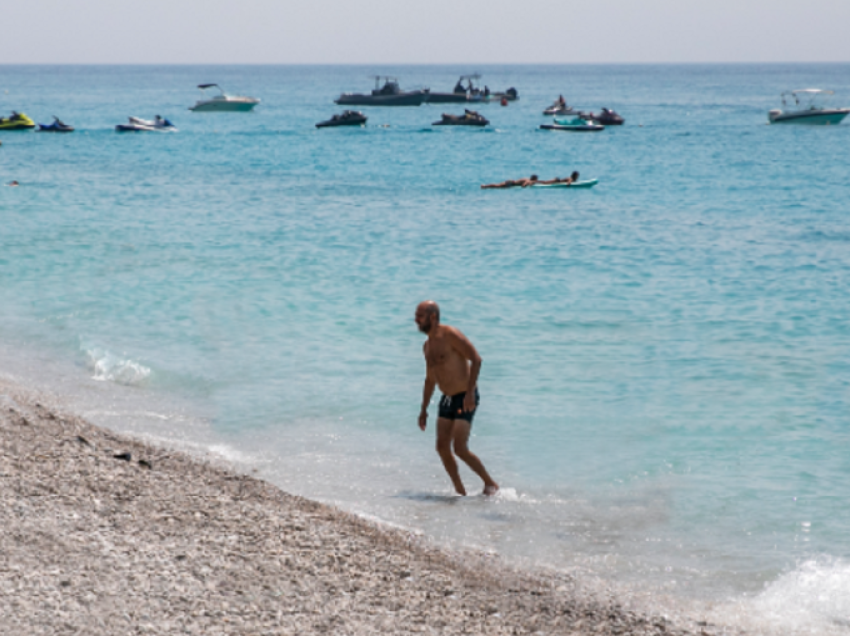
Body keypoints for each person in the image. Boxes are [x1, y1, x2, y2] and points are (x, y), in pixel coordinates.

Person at [415, 301, 499, 496]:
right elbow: (430, 380)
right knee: (442, 447)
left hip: (464, 396)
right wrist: (423, 409)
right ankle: (460, 492)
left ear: (433, 317)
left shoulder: (450, 335)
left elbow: (476, 359)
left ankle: (490, 483)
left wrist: (470, 393)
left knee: (459, 448)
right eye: (416, 315)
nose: (416, 320)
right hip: (446, 398)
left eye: (420, 315)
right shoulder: (427, 346)